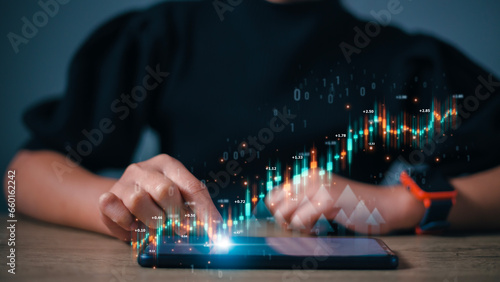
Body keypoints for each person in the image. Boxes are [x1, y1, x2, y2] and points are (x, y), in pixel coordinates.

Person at [4, 0, 500, 242]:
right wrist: (113, 204)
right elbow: (17, 176)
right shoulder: (164, 35)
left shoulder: (405, 61)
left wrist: (407, 204)